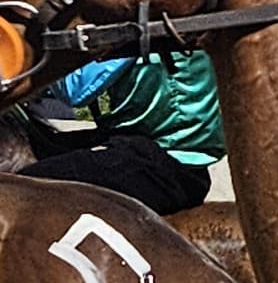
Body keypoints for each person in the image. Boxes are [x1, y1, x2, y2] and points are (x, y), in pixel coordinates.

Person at [28, 48, 223, 216]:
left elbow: (75, 88)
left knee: (24, 186)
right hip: (156, 149)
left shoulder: (142, 26)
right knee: (38, 142)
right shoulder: (171, 25)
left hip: (163, 164)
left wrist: (32, 58)